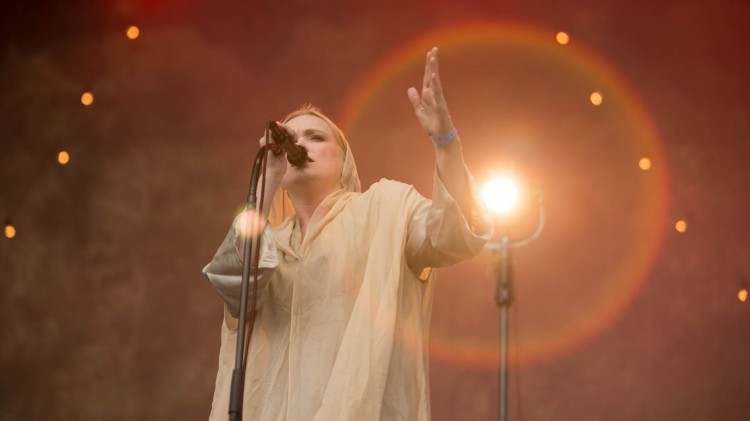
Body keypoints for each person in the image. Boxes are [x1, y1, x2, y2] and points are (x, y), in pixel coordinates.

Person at [202, 47, 493, 421]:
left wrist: (445, 141)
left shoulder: (385, 208)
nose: (300, 144)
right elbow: (233, 283)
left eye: (316, 137)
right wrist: (265, 186)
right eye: (291, 138)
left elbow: (454, 234)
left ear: (344, 163)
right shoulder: (265, 242)